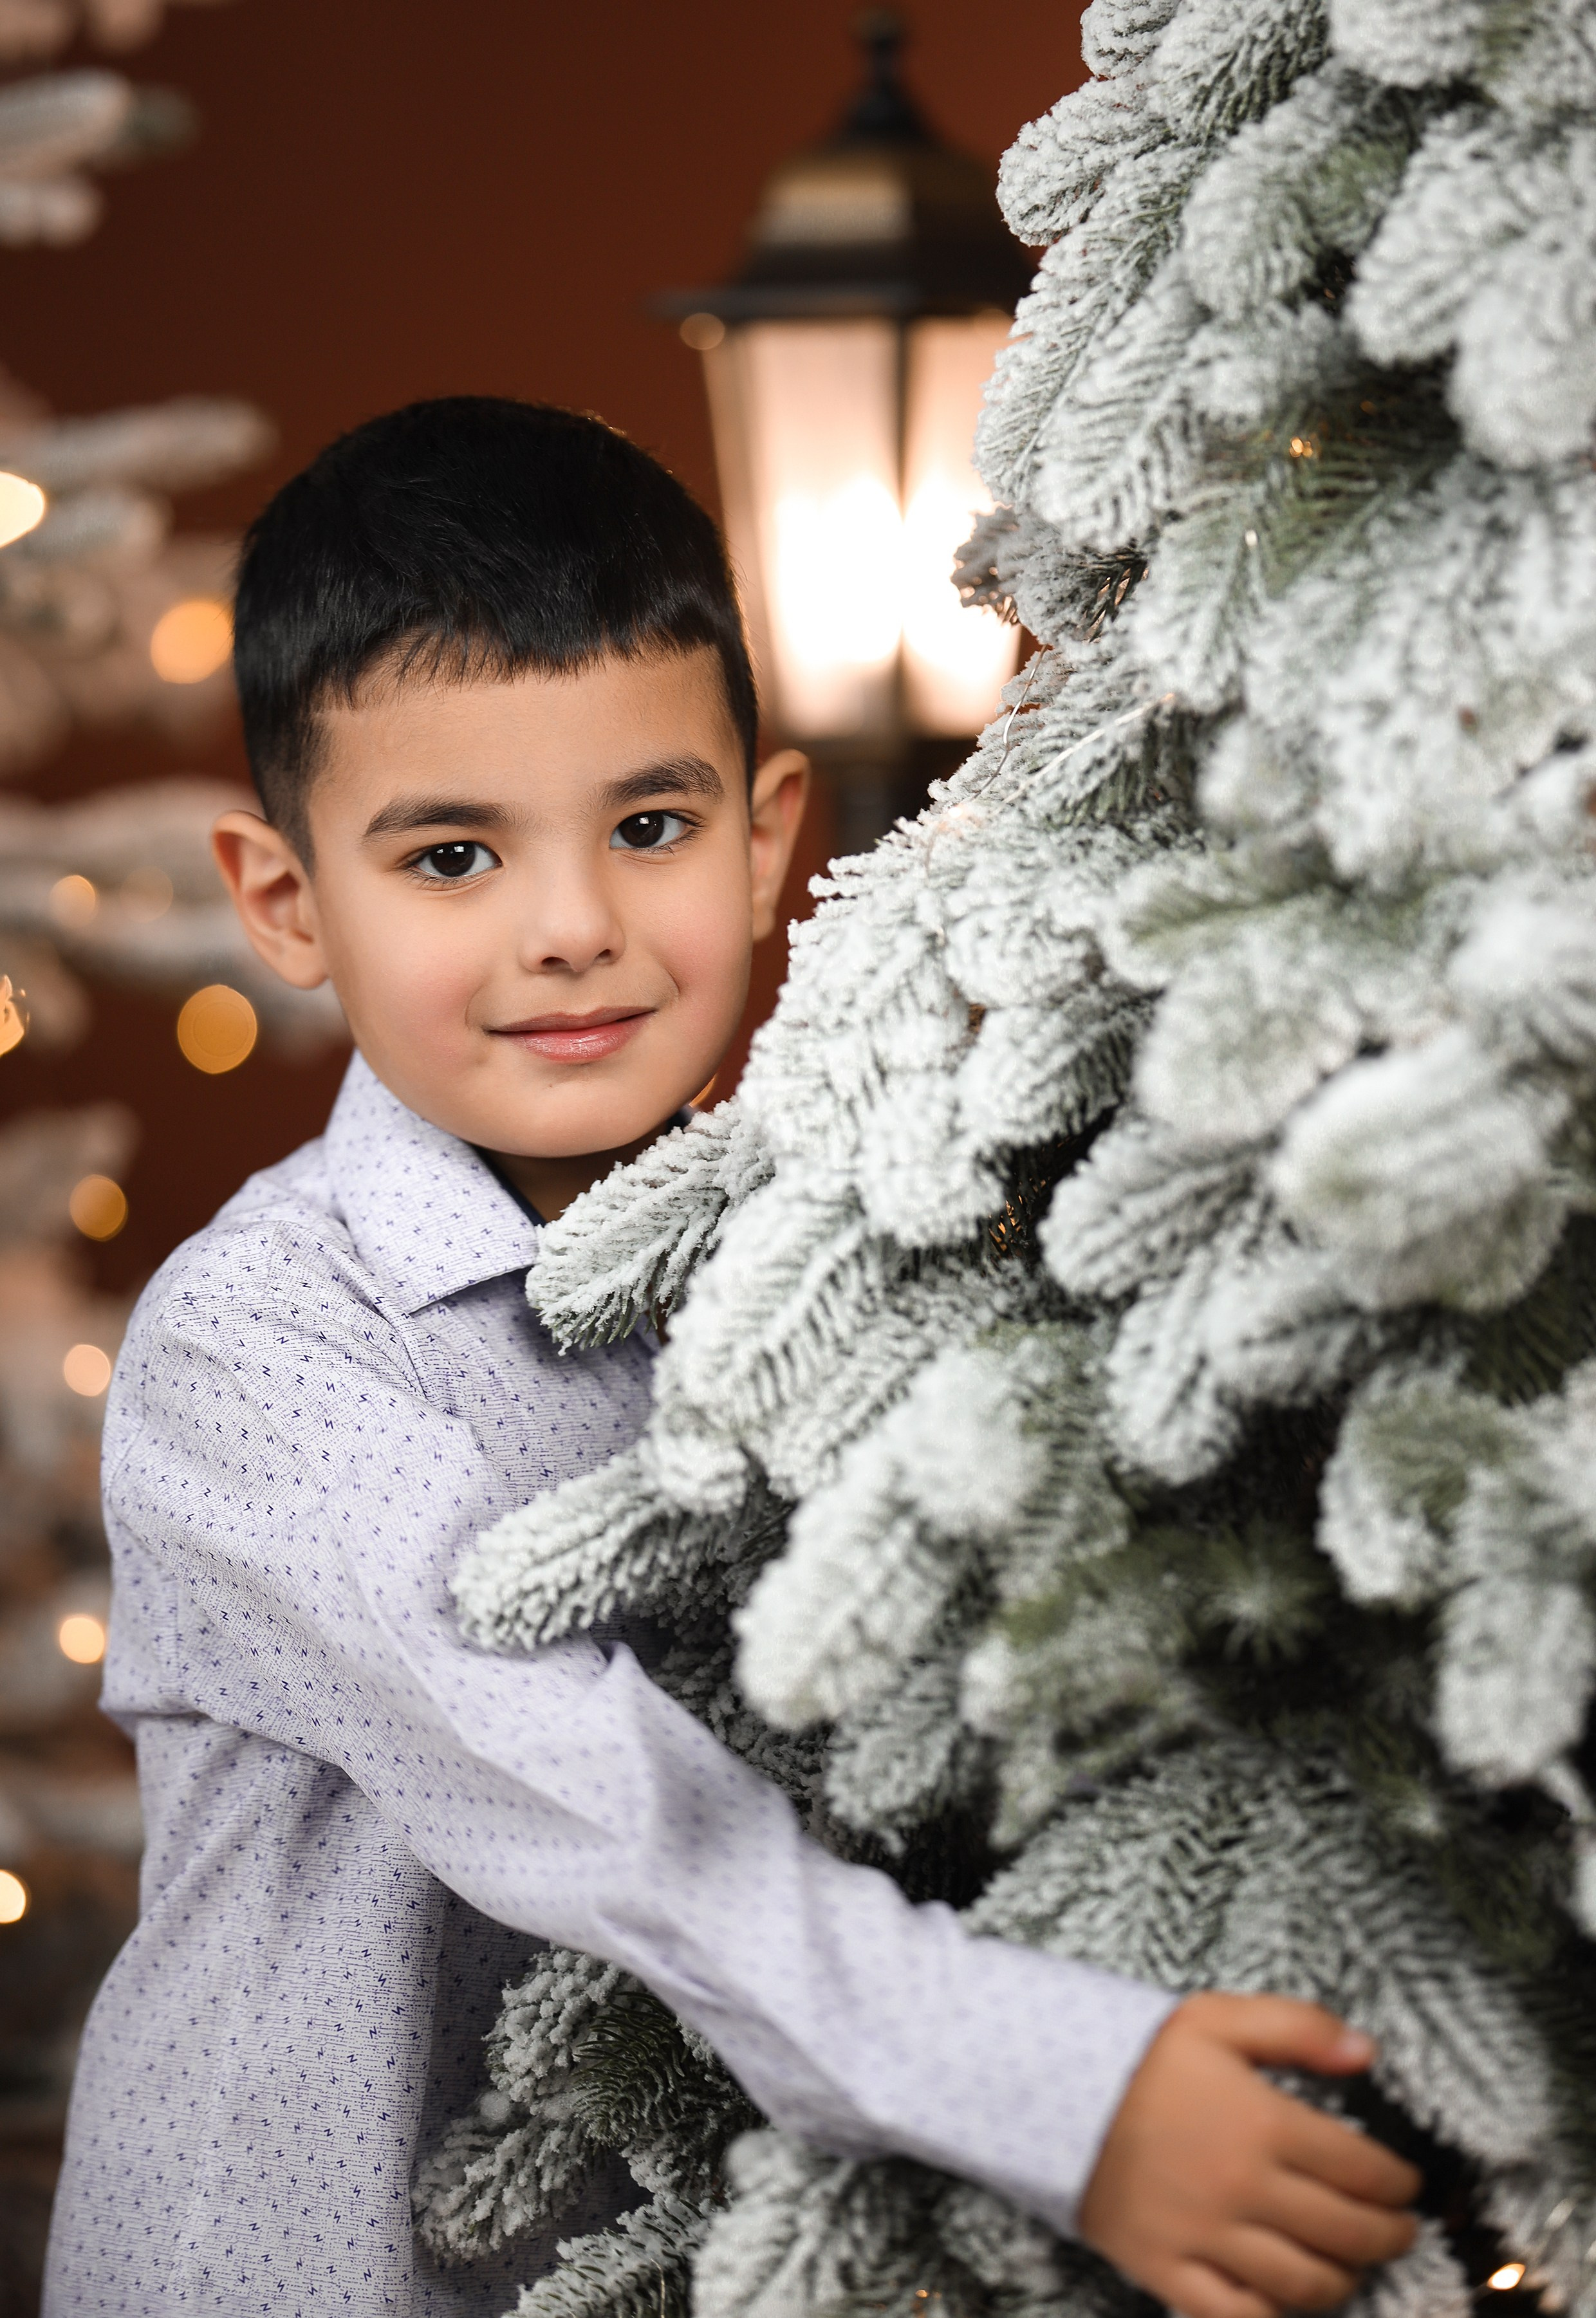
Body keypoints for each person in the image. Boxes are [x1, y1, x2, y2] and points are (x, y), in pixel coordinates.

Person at [43, 398, 1420, 2318]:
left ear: (770, 837)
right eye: (452, 858)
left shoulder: (854, 1243)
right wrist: (1066, 2092)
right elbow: (587, 1792)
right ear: (288, 902)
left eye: (650, 824)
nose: (575, 928)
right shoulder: (258, 1348)